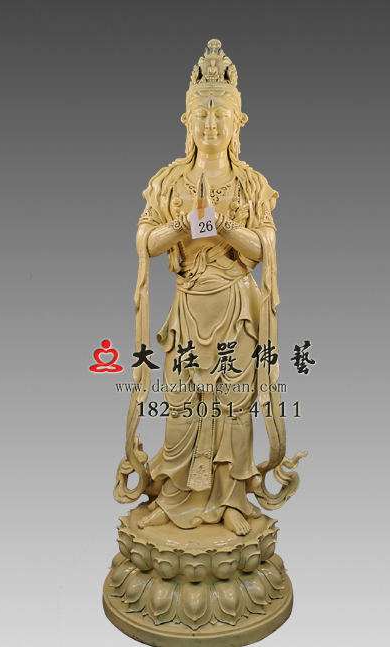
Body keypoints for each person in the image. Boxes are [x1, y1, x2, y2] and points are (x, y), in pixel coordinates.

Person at [114, 40, 302, 535]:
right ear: (187, 122)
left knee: (233, 408)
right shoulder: (169, 181)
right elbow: (145, 239)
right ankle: (174, 495)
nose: (211, 124)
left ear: (239, 123)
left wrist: (224, 227)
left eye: (221, 116)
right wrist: (181, 227)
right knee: (180, 406)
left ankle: (231, 499)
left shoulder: (250, 183)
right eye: (202, 115)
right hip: (188, 310)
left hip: (237, 308)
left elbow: (265, 247)